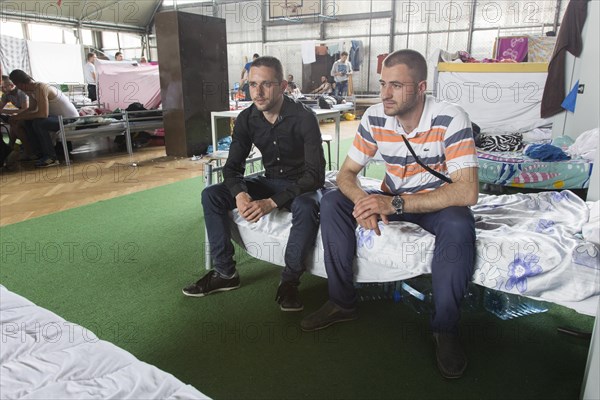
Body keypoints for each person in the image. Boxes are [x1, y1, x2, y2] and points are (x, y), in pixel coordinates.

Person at [301, 50, 479, 379]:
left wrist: (392, 205)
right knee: (331, 202)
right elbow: (346, 175)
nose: (384, 94)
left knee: (459, 224)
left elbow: (467, 192)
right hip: (390, 196)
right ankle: (342, 302)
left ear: (422, 87)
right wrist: (362, 202)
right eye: (383, 83)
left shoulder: (451, 118)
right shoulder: (374, 118)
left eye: (396, 85)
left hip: (433, 204)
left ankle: (445, 329)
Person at [183, 56, 326, 312]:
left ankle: (289, 283)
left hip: (302, 186)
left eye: (266, 85)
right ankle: (226, 274)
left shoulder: (304, 118)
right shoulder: (247, 118)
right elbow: (232, 167)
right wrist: (239, 194)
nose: (257, 93)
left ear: (282, 86)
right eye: (252, 85)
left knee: (306, 207)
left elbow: (316, 176)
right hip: (269, 180)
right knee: (212, 195)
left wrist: (272, 203)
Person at [9, 69, 79, 167]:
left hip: (70, 120)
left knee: (39, 122)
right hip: (58, 118)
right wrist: (17, 117)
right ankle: (38, 153)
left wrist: (19, 117)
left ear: (19, 84)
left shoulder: (40, 88)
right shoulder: (31, 90)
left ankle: (51, 157)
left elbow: (43, 114)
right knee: (27, 121)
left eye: (16, 85)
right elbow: (32, 108)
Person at [1, 75, 30, 152]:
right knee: (13, 121)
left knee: (14, 123)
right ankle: (12, 146)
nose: (2, 89)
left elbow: (25, 109)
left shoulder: (21, 93)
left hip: (30, 113)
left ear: (12, 85)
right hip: (21, 114)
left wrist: (5, 111)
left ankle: (27, 149)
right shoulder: (6, 95)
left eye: (4, 87)